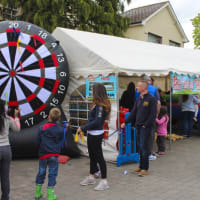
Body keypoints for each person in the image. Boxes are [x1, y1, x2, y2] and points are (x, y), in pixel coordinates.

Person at [77, 83, 111, 191]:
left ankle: (104, 181)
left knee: (99, 157)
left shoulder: (101, 106)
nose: (91, 92)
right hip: (92, 134)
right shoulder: (96, 104)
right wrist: (86, 128)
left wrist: (83, 128)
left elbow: (97, 122)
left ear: (97, 92)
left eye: (92, 90)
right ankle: (91, 176)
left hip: (96, 134)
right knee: (92, 156)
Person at [121, 81, 157, 177]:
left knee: (144, 148)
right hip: (138, 126)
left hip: (145, 127)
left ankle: (145, 169)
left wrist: (146, 125)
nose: (136, 87)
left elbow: (153, 115)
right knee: (140, 147)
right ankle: (141, 167)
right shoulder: (139, 99)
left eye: (139, 86)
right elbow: (133, 113)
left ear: (144, 88)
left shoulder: (151, 99)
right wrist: (125, 122)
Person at [35, 108, 65, 200]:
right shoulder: (60, 130)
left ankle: (38, 193)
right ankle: (50, 195)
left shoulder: (42, 128)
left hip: (43, 155)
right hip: (54, 155)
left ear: (49, 117)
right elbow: (61, 142)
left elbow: (37, 141)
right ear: (59, 118)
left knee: (41, 172)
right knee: (52, 174)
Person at [0, 101, 20, 200]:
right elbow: (17, 129)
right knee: (5, 177)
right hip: (6, 149)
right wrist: (16, 116)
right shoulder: (7, 119)